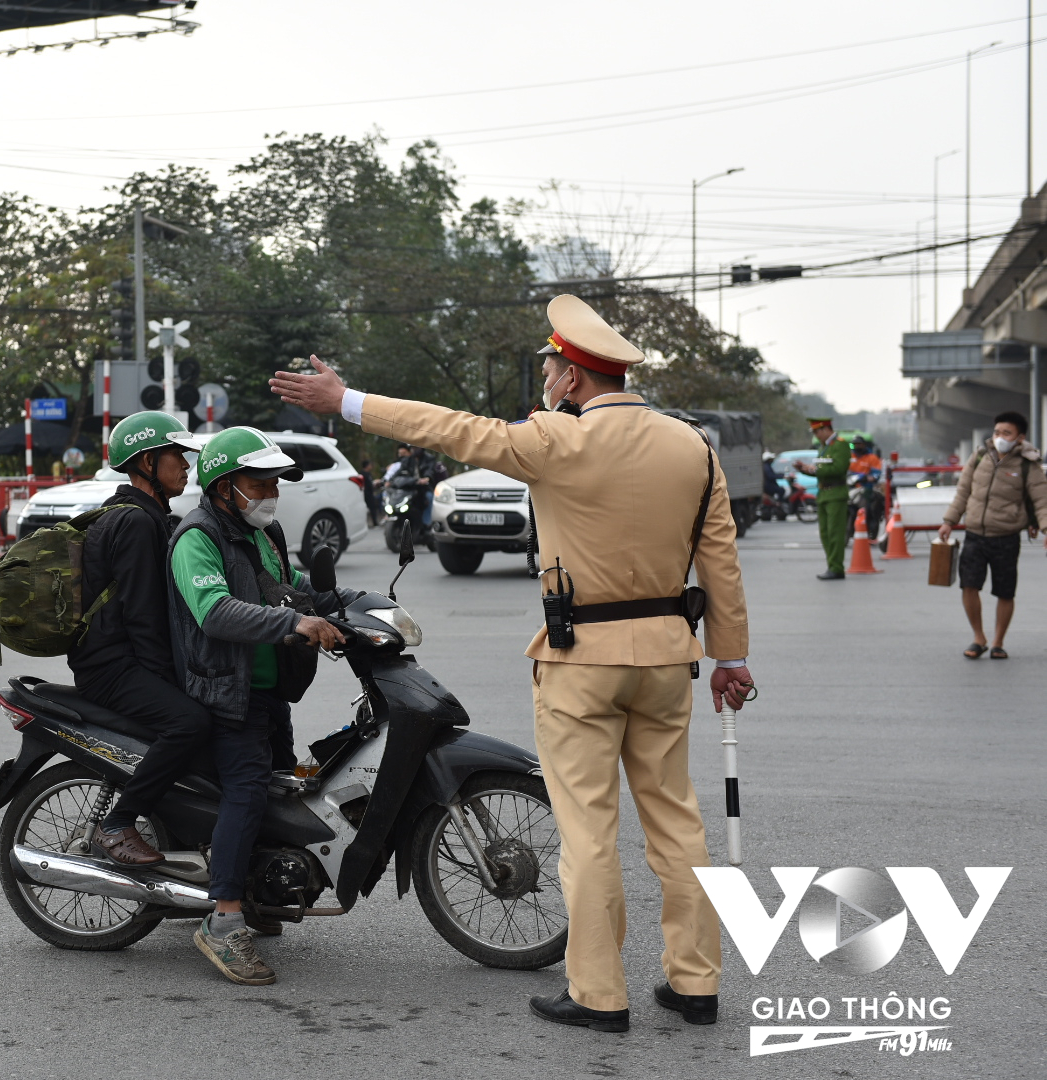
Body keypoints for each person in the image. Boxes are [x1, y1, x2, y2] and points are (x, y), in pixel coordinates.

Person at [270, 293, 754, 1033]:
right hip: (666, 659)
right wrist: (731, 656)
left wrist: (347, 400)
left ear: (574, 377)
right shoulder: (693, 446)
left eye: (553, 366)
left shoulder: (556, 441)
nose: (548, 378)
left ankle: (599, 994)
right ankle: (695, 984)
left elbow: (451, 429)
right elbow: (720, 559)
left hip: (582, 660)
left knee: (588, 833)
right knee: (678, 825)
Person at [167, 426, 348, 986]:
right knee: (247, 791)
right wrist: (296, 621)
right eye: (258, 480)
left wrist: (350, 606)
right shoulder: (196, 537)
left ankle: (257, 894)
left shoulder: (263, 535)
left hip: (268, 690)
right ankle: (222, 921)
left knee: (278, 785)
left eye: (275, 480)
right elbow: (216, 611)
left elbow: (289, 586)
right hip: (226, 690)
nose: (271, 490)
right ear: (224, 486)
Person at [67, 411, 213, 867]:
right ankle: (119, 822)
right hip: (113, 667)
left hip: (119, 660)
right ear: (147, 461)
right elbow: (144, 616)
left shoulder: (145, 516)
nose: (186, 466)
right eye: (177, 455)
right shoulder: (135, 523)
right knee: (191, 723)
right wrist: (172, 681)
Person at [939, 411, 1047, 659]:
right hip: (975, 534)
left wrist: (1045, 528)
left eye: (1006, 433)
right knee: (969, 586)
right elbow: (963, 492)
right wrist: (948, 521)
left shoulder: (1027, 464)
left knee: (1005, 591)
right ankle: (979, 638)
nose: (1000, 437)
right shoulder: (979, 456)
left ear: (1020, 437)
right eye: (997, 432)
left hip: (1006, 537)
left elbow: (1042, 501)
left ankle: (998, 642)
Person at [792, 418, 851, 579]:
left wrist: (817, 469)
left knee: (835, 534)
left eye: (818, 432)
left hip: (836, 493)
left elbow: (839, 468)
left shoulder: (840, 445)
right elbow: (820, 470)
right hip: (824, 494)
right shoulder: (823, 448)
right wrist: (805, 469)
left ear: (826, 429)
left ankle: (837, 567)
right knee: (825, 534)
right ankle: (831, 566)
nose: (817, 436)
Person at [848, 436, 885, 540]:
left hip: (866, 488)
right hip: (851, 487)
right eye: (854, 444)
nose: (857, 447)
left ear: (864, 445)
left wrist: (870, 477)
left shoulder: (872, 458)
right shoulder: (849, 456)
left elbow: (876, 472)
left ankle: (869, 527)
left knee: (867, 506)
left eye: (859, 444)